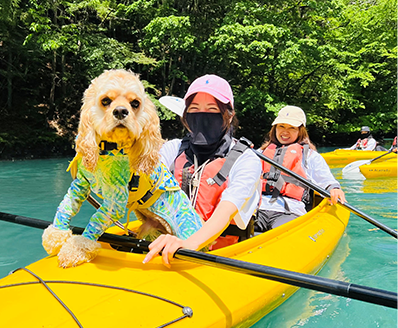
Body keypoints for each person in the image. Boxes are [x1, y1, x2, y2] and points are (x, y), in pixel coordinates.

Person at [143, 74, 262, 267]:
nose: (202, 116)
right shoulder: (173, 149)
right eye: (195, 109)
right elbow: (145, 180)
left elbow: (225, 211)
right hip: (165, 243)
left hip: (220, 254)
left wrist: (187, 244)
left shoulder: (246, 159)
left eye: (212, 109)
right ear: (186, 115)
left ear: (229, 114)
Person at [254, 105, 346, 233]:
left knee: (281, 234)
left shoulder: (309, 156)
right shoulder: (260, 153)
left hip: (289, 211)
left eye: (292, 128)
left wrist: (334, 188)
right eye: (281, 126)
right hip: (257, 209)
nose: (285, 132)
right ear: (274, 128)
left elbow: (326, 180)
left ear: (300, 131)